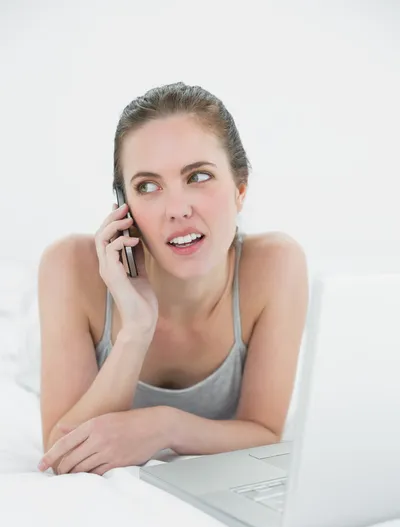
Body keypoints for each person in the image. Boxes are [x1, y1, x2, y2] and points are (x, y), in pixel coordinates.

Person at [37, 82, 309, 476]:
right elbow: (60, 453)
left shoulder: (275, 266)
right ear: (123, 208)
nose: (177, 209)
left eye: (198, 177)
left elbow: (265, 432)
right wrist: (136, 329)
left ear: (240, 189)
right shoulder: (70, 267)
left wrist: (164, 426)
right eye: (148, 186)